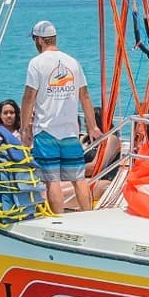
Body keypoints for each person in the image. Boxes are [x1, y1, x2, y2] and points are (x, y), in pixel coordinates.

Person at [20, 20, 102, 214]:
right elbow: (85, 95)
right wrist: (92, 127)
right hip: (71, 131)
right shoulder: (72, 62)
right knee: (78, 178)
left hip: (46, 130)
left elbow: (29, 97)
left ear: (39, 40)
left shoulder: (36, 63)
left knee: (52, 180)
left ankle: (59, 219)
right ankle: (87, 216)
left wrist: (25, 128)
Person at [63, 108, 122, 211]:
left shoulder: (110, 139)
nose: (85, 124)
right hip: (82, 177)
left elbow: (95, 167)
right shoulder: (85, 139)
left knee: (61, 190)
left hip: (102, 180)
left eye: (88, 122)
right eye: (85, 121)